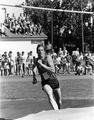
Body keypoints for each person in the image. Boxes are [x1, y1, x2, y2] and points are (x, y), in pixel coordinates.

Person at [32, 44, 62, 110]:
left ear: (44, 51)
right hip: (45, 81)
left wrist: (41, 64)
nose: (40, 52)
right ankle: (56, 112)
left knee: (59, 102)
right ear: (37, 52)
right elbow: (33, 68)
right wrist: (34, 77)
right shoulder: (36, 60)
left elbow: (52, 69)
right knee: (49, 95)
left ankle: (59, 111)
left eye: (42, 50)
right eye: (38, 50)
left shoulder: (47, 57)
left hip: (53, 80)